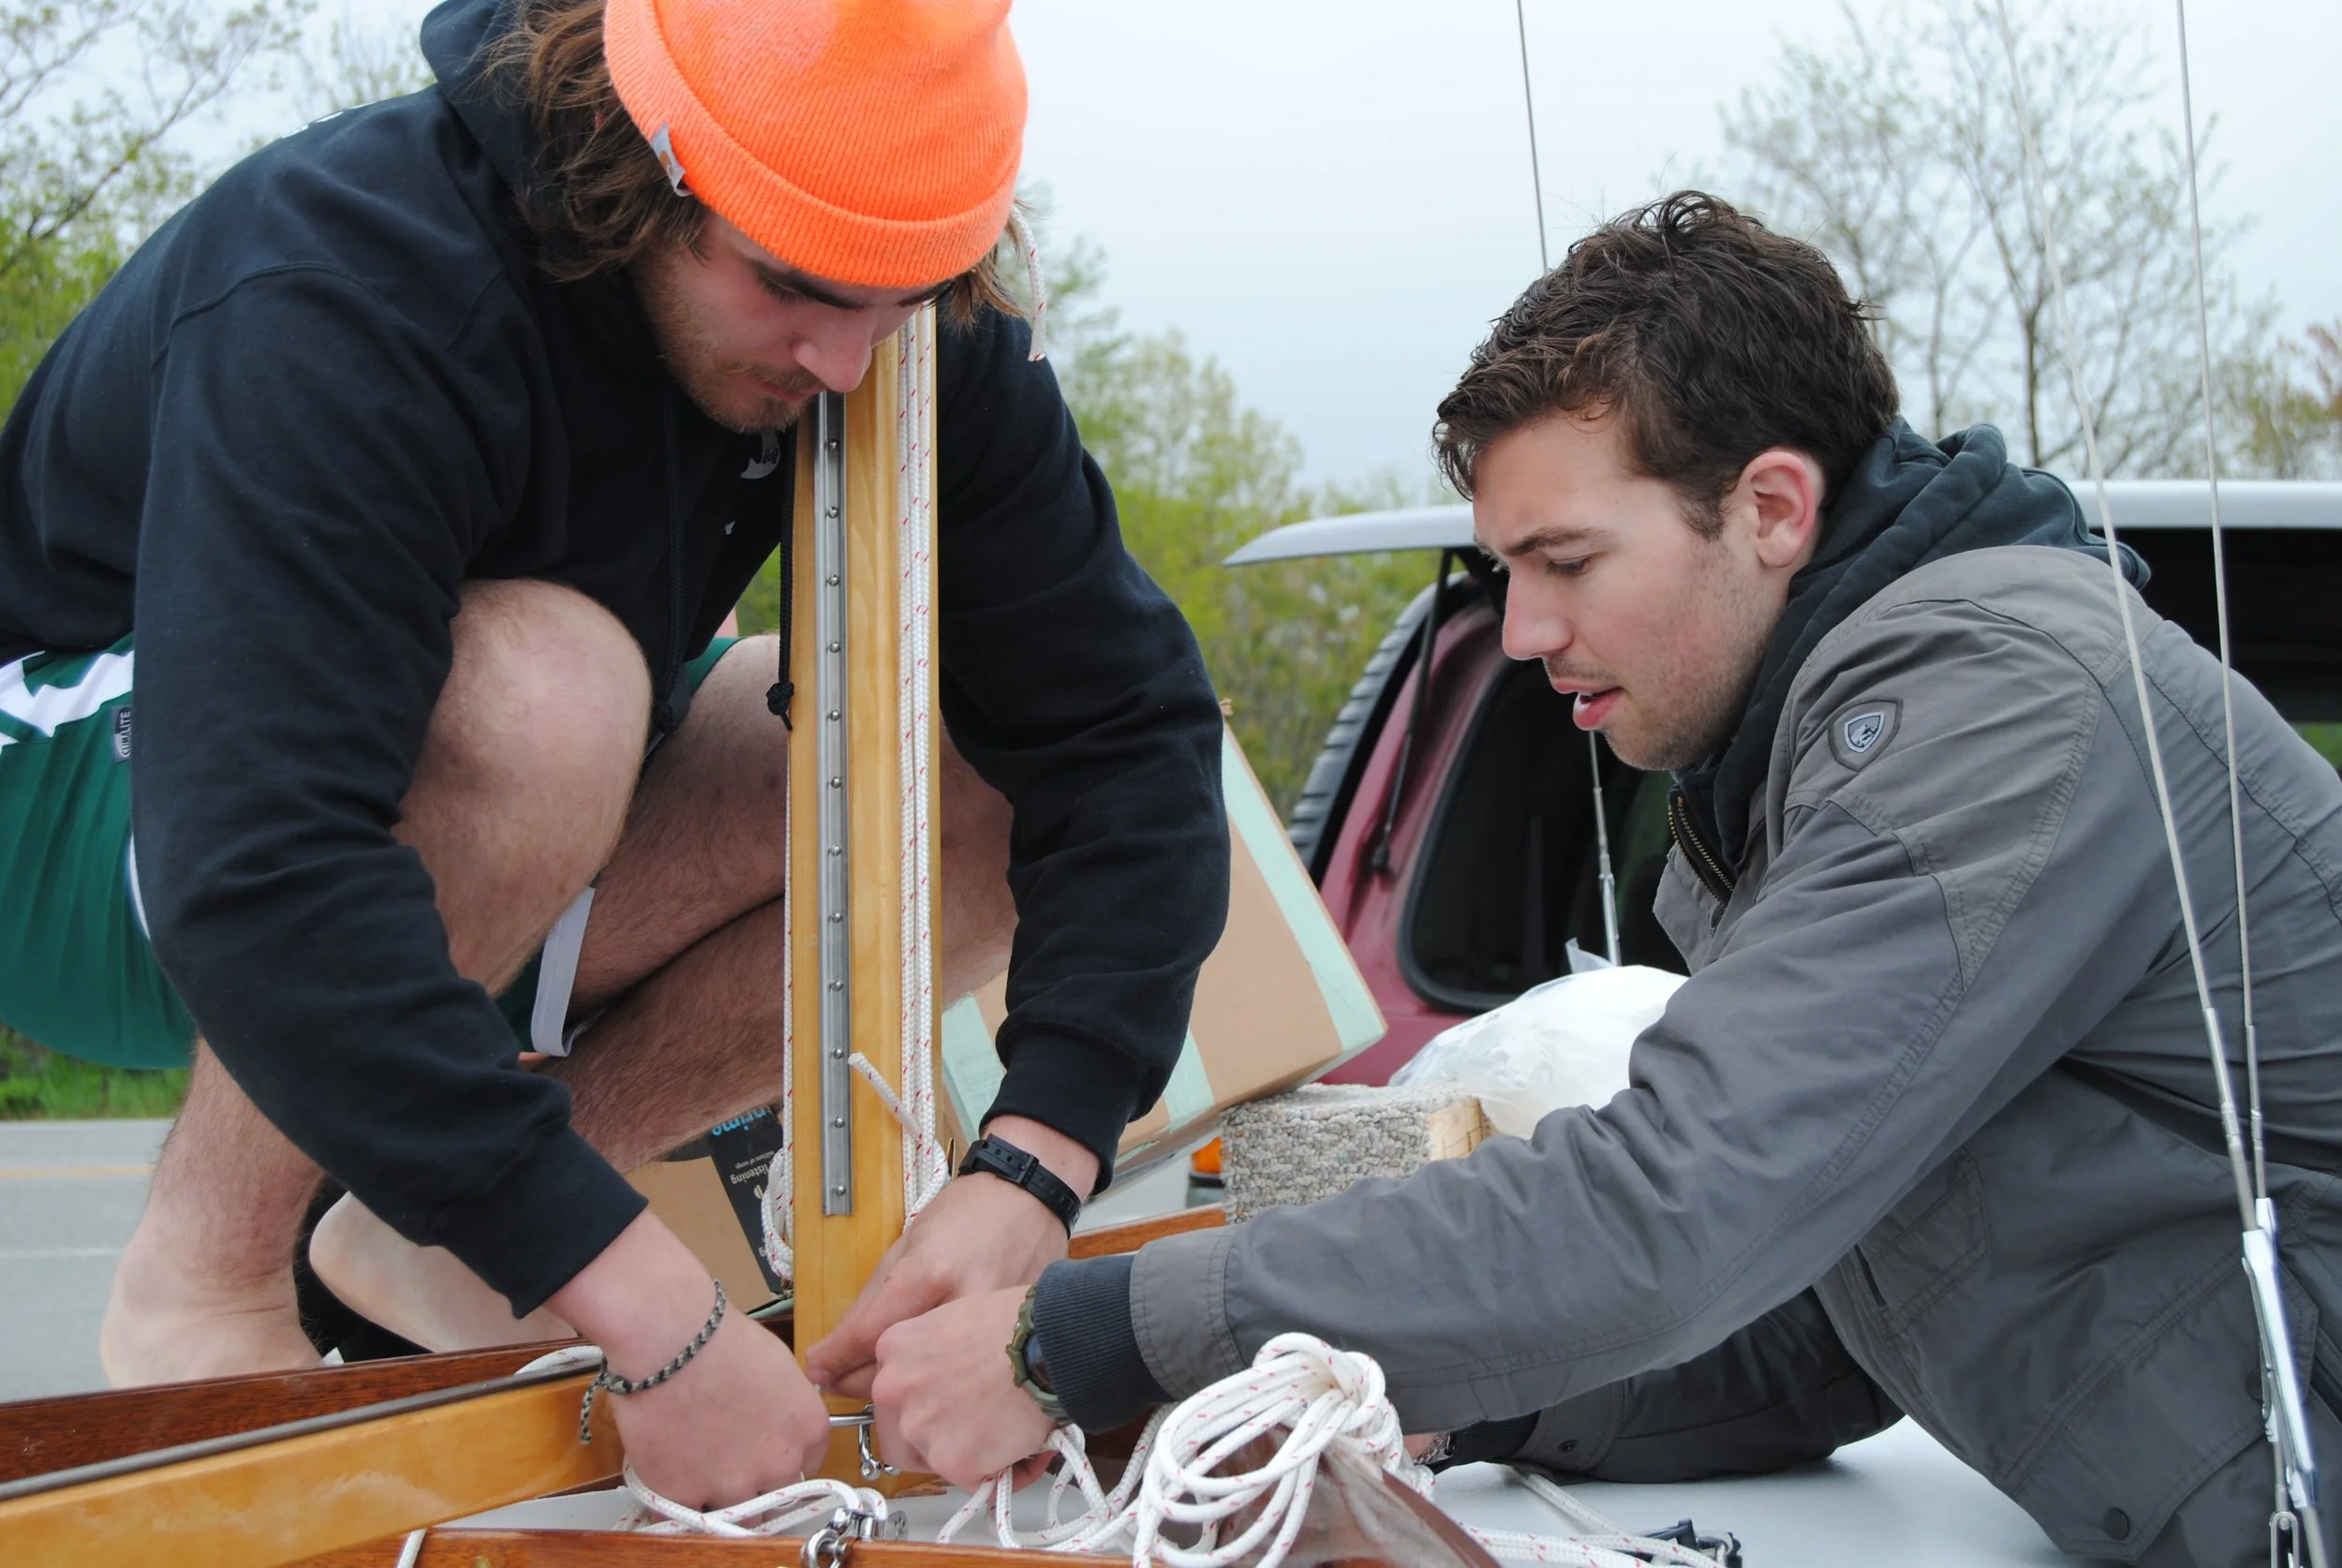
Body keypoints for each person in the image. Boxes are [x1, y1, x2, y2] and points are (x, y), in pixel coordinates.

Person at [868, 192, 2342, 1566]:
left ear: (1773, 509)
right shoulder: (1815, 754)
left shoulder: (2005, 705)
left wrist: (1083, 1337)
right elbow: (1834, 1312)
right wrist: (1422, 1391)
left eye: (1566, 562)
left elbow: (1677, 1207)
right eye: (1506, 572)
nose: (1520, 631)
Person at [0, 0, 1228, 1506]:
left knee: (940, 760)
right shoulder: (349, 275)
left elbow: (1127, 733)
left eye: (899, 301)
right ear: (637, 162)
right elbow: (260, 865)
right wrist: (654, 1309)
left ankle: (445, 1238)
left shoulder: (884, 325)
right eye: (792, 285)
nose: (847, 362)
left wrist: (1035, 1167)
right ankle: (202, 1278)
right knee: (548, 693)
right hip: (96, 811)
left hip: (463, 817)